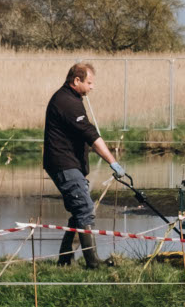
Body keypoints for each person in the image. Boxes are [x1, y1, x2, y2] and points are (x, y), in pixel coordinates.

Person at [43, 62, 125, 268]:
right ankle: (93, 262)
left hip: (68, 163)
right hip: (64, 163)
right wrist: (113, 162)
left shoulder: (72, 98)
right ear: (76, 80)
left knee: (80, 211)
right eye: (89, 82)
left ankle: (64, 261)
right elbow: (90, 135)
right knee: (86, 209)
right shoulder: (67, 102)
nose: (92, 87)